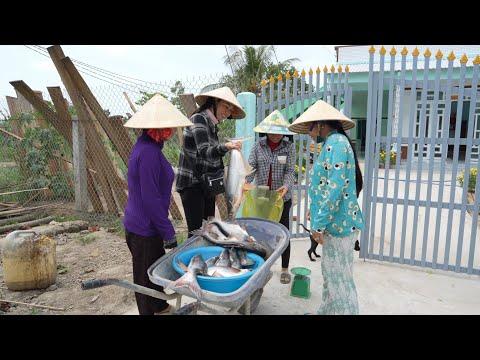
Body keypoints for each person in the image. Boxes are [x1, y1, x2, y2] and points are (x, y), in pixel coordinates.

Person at [289, 99, 365, 315]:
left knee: (340, 282)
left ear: (321, 124)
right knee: (332, 277)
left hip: (338, 226)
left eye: (311, 128)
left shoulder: (336, 144)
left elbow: (335, 189)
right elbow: (325, 187)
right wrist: (313, 211)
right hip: (335, 223)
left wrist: (318, 225)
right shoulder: (335, 143)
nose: (309, 133)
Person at [123, 94, 193, 315]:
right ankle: (148, 311)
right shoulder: (149, 153)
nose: (170, 132)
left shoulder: (147, 146)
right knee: (144, 280)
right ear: (157, 129)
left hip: (147, 225)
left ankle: (160, 306)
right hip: (144, 227)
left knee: (153, 271)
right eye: (167, 128)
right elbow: (150, 199)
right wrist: (168, 231)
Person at [176, 87, 246, 233]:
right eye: (225, 107)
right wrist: (226, 147)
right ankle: (193, 256)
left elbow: (212, 158)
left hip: (205, 185)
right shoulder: (199, 119)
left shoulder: (212, 124)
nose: (227, 113)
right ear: (214, 102)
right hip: (192, 184)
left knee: (208, 230)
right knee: (196, 233)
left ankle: (204, 255)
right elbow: (205, 152)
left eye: (230, 110)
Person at [244, 110, 296, 284]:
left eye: (279, 132)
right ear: (265, 131)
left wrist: (286, 186)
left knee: (283, 233)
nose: (275, 135)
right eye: (272, 131)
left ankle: (284, 269)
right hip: (262, 198)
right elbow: (251, 167)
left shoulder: (289, 147)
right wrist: (245, 183)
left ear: (284, 133)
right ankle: (261, 267)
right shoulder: (259, 146)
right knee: (259, 233)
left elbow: (290, 171)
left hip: (282, 198)